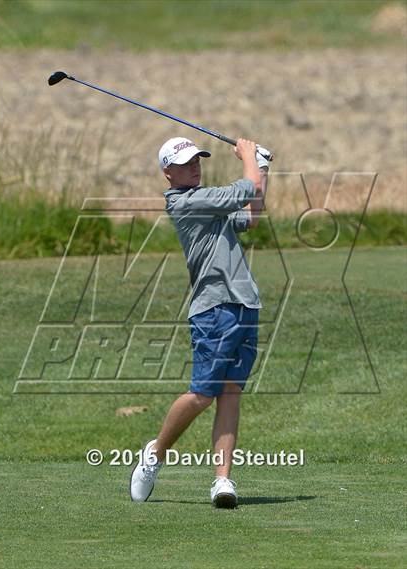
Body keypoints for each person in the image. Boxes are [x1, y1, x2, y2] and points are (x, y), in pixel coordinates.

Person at [130, 136, 270, 508]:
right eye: (186, 162)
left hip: (244, 304)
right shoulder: (186, 202)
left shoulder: (206, 201)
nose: (195, 166)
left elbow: (252, 215)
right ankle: (155, 453)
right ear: (167, 172)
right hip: (212, 309)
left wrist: (263, 167)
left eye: (197, 160)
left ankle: (222, 481)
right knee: (203, 395)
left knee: (230, 393)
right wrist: (249, 160)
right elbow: (245, 188)